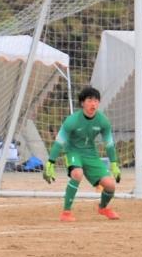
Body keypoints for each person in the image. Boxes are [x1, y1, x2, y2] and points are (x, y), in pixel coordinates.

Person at [42, 86, 122, 222]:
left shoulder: (103, 121)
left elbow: (109, 143)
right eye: (90, 100)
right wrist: (50, 162)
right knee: (77, 174)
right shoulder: (72, 121)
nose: (93, 104)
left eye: (96, 100)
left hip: (91, 154)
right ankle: (66, 212)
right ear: (82, 103)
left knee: (110, 185)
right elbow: (59, 142)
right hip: (74, 152)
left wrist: (114, 163)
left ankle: (103, 208)